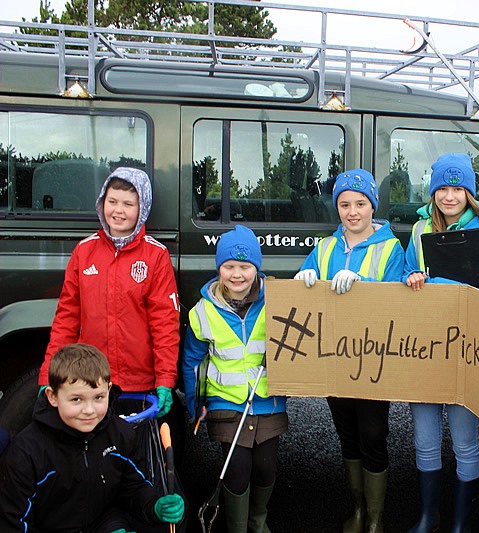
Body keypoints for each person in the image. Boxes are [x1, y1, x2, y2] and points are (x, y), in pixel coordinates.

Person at [403, 152, 479, 533]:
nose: (449, 197)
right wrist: (413, 280)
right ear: (433, 191)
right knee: (424, 440)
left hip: (469, 350)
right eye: (443, 189)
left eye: (458, 188)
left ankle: (461, 523)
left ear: (470, 191)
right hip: (425, 347)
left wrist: (443, 287)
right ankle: (427, 516)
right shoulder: (420, 231)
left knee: (466, 441)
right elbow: (405, 279)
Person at [294, 169, 404, 533]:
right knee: (347, 435)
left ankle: (375, 518)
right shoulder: (324, 248)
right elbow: (304, 290)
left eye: (360, 203)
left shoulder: (391, 247)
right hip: (334, 360)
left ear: (373, 206)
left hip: (373, 361)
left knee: (373, 435)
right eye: (344, 204)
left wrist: (364, 285)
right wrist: (302, 283)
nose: (352, 211)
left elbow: (397, 304)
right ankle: (357, 509)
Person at [39, 167, 180, 421]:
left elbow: (165, 325)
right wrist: (48, 373)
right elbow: (66, 320)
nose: (119, 210)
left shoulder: (156, 256)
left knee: (132, 454)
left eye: (128, 204)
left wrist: (165, 378)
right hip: (90, 381)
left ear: (142, 208)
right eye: (112, 201)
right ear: (102, 202)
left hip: (139, 384)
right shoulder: (84, 251)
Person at [0, 343, 184, 532]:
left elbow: (134, 487)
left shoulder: (120, 434)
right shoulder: (26, 452)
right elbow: (14, 522)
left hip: (104, 523)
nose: (89, 411)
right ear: (52, 396)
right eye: (76, 399)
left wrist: (154, 506)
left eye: (98, 398)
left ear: (109, 389)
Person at [183, 224, 288, 533]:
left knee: (266, 468)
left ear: (257, 268)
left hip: (267, 401)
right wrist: (194, 405)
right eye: (229, 266)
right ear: (219, 269)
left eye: (245, 266)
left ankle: (258, 521)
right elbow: (192, 361)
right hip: (225, 404)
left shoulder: (276, 302)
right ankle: (238, 526)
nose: (237, 274)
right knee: (238, 470)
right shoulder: (203, 312)